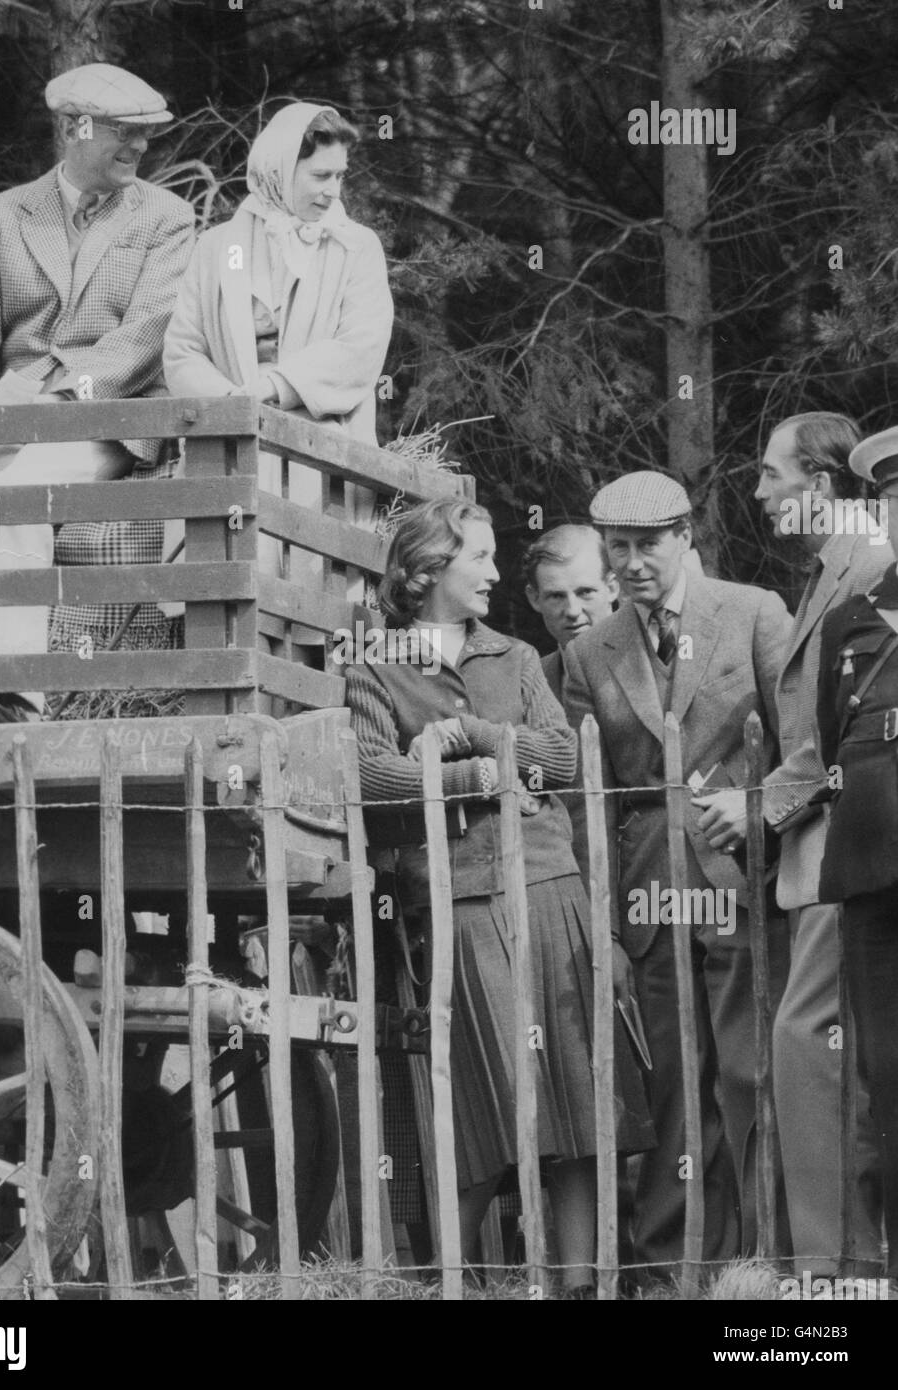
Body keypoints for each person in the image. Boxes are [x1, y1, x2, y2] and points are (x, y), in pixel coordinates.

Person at [345, 497, 653, 1288]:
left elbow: (563, 758)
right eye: (476, 557)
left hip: (549, 885)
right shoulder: (374, 663)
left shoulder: (514, 657)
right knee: (484, 1108)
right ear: (425, 571)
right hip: (458, 898)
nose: (492, 572)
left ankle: (581, 1286)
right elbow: (372, 778)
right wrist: (477, 778)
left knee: (578, 1105)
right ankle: (451, 1279)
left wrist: (480, 737)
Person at [0, 63, 195, 724]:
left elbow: (141, 340)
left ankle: (15, 700)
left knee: (15, 497)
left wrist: (45, 405)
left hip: (100, 418)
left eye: (146, 136)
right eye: (124, 132)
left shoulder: (167, 219)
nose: (140, 147)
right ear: (73, 128)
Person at [562, 470, 791, 1279]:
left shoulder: (753, 612)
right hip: (649, 899)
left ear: (685, 537)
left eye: (646, 545)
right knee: (670, 1093)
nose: (629, 563)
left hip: (743, 882)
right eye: (615, 548)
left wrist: (757, 803)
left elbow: (804, 744)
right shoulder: (589, 652)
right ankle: (669, 1274)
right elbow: (584, 801)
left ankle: (767, 1262)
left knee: (751, 1070)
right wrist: (606, 926)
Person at [163, 101, 393, 620]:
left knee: (316, 607)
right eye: (319, 175)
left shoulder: (356, 248)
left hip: (321, 455)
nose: (332, 190)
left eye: (340, 176)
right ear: (279, 167)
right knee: (234, 602)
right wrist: (230, 404)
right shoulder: (216, 248)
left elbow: (359, 350)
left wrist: (272, 385)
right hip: (231, 448)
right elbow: (181, 351)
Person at [750, 413, 887, 1279]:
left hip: (852, 847)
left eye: (773, 476)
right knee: (823, 1045)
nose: (760, 494)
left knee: (811, 1040)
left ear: (823, 489)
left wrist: (755, 804)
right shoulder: (828, 572)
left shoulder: (865, 568)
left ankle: (835, 1266)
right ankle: (836, 1258)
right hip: (826, 850)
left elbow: (835, 741)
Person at [817, 424, 898, 1287]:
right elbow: (827, 737)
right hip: (872, 881)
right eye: (892, 500)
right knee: (887, 1079)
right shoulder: (850, 619)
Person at [524, 524, 618, 698]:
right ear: (535, 599)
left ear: (612, 588)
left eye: (585, 592)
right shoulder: (530, 684)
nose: (573, 611)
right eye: (557, 596)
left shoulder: (652, 665)